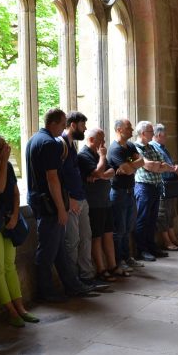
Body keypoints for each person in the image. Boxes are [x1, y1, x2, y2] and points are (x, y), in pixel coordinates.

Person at [26, 108, 98, 303]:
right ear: (55, 123)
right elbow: (52, 179)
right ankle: (46, 292)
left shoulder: (34, 139)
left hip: (42, 200)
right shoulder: (49, 143)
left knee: (59, 249)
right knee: (48, 251)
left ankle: (73, 285)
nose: (65, 127)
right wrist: (61, 208)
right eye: (63, 123)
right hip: (49, 204)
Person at [0, 133, 39, 328]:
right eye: (0, 147)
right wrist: (4, 162)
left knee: (10, 265)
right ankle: (10, 311)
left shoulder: (8, 167)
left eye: (5, 146)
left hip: (8, 222)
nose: (5, 150)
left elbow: (14, 192)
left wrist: (14, 217)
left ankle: (20, 307)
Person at [77, 128, 130, 280]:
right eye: (101, 139)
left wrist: (102, 175)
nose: (104, 143)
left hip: (106, 200)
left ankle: (112, 265)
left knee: (109, 234)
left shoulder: (129, 148)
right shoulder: (86, 155)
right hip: (94, 203)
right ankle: (101, 269)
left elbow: (113, 170)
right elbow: (100, 171)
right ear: (92, 140)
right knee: (97, 236)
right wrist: (102, 161)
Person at [61, 111, 104, 287]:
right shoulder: (76, 150)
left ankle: (87, 276)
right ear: (73, 124)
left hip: (84, 197)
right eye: (82, 125)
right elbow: (99, 173)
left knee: (87, 237)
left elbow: (119, 168)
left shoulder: (72, 146)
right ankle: (73, 282)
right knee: (73, 242)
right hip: (75, 199)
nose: (84, 128)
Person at [133, 121, 175, 261]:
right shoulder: (136, 147)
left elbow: (164, 164)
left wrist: (156, 165)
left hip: (156, 186)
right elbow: (148, 165)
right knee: (143, 219)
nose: (154, 134)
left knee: (152, 219)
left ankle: (151, 247)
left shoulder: (151, 147)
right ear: (143, 133)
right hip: (144, 187)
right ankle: (142, 250)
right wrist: (156, 165)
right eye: (151, 131)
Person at [107, 119, 145, 269]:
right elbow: (130, 168)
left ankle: (127, 257)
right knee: (119, 229)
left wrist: (130, 165)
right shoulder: (114, 149)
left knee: (128, 227)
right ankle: (119, 261)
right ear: (119, 130)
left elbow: (141, 162)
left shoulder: (129, 146)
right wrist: (131, 166)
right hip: (118, 193)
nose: (132, 130)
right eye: (128, 127)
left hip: (130, 191)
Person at [151, 123, 178, 250]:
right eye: (165, 135)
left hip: (170, 185)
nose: (167, 137)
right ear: (159, 135)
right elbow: (161, 165)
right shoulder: (153, 147)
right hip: (162, 184)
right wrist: (172, 168)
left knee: (170, 213)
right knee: (162, 214)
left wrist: (175, 166)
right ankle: (167, 241)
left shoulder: (163, 147)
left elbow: (168, 163)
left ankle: (173, 238)